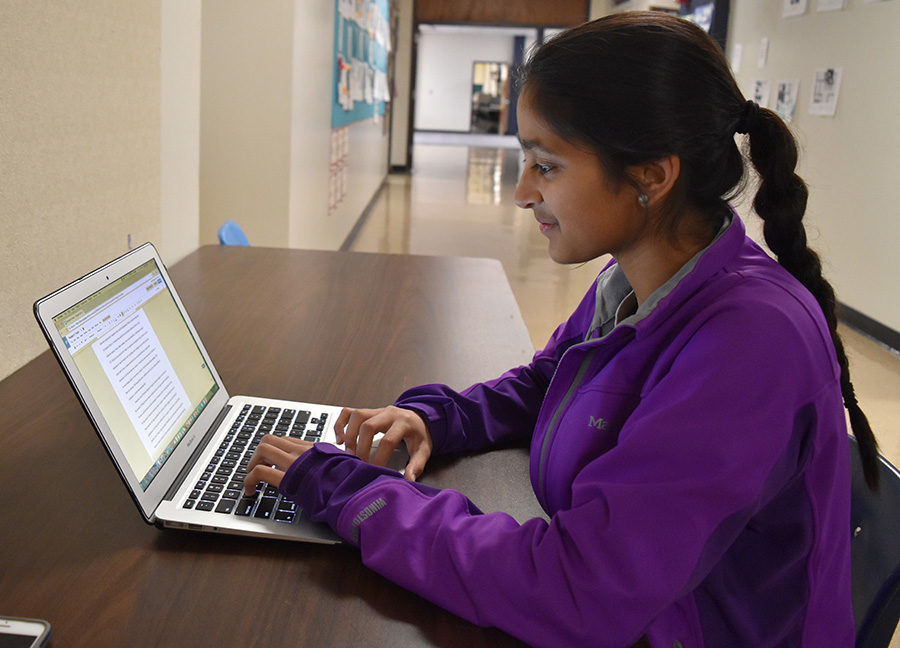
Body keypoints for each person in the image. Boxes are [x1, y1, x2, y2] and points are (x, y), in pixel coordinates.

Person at [244, 12, 879, 647]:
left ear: (653, 176)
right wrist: (442, 419)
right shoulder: (640, 278)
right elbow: (555, 380)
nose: (521, 192)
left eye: (545, 165)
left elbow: (583, 588)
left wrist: (361, 496)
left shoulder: (750, 342)